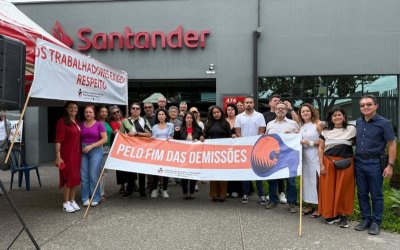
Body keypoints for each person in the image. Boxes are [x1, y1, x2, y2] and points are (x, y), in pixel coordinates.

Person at [354, 95, 396, 235]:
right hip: (359, 162)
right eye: (362, 105)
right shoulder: (358, 122)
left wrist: (390, 165)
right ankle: (366, 219)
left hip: (375, 162)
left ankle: (376, 222)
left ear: (376, 106)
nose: (365, 107)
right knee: (362, 193)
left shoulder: (384, 123)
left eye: (369, 104)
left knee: (376, 194)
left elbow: (391, 144)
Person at [318, 106, 356, 228]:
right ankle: (331, 214)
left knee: (344, 190)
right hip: (328, 162)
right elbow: (320, 148)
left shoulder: (352, 129)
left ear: (344, 117)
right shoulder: (325, 131)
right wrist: (321, 165)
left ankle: (343, 215)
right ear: (331, 118)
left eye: (339, 114)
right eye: (334, 115)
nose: (337, 117)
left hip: (345, 163)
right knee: (328, 189)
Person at [263, 94, 299, 204]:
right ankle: (273, 201)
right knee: (272, 180)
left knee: (291, 181)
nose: (280, 110)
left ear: (286, 110)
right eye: (278, 108)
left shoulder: (293, 124)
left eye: (283, 108)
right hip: (273, 156)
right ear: (275, 110)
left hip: (289, 156)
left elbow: (298, 136)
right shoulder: (269, 124)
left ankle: (292, 203)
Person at [234, 96, 267, 205]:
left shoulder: (260, 116)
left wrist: (255, 143)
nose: (248, 104)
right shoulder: (239, 117)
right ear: (243, 104)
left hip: (257, 148)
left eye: (251, 102)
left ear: (253, 104)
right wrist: (244, 143)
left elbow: (261, 131)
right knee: (246, 173)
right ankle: (245, 194)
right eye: (247, 102)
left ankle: (261, 195)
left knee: (258, 172)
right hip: (244, 149)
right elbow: (238, 132)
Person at [120, 102, 152, 199]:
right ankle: (129, 190)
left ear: (140, 110)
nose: (135, 110)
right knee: (130, 171)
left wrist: (137, 133)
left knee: (142, 171)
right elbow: (121, 135)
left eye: (137, 108)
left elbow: (149, 134)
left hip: (142, 149)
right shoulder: (125, 122)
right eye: (133, 108)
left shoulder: (144, 121)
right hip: (130, 150)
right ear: (130, 110)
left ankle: (142, 191)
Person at [55, 102, 81, 213]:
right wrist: (58, 156)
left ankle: (72, 200)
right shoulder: (62, 122)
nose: (73, 109)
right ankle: (65, 203)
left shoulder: (76, 122)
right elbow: (58, 141)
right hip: (67, 154)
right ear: (66, 109)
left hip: (76, 154)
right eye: (71, 108)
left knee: (75, 177)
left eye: (75, 108)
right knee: (68, 177)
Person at [80, 105, 107, 207]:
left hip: (95, 150)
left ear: (94, 114)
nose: (88, 114)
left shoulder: (99, 124)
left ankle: (96, 197)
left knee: (93, 175)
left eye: (90, 112)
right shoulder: (81, 124)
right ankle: (85, 197)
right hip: (83, 150)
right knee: (84, 176)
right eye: (86, 112)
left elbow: (105, 139)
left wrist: (91, 146)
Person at [299, 103, 323, 217]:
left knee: (316, 182)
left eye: (307, 111)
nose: (305, 113)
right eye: (303, 111)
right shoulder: (301, 126)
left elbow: (325, 141)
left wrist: (311, 143)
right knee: (307, 183)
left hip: (315, 156)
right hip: (304, 158)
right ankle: (309, 205)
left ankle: (319, 207)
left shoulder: (318, 124)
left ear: (312, 111)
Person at [203, 106, 232, 202]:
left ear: (221, 113)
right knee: (214, 174)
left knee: (222, 174)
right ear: (212, 114)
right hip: (212, 152)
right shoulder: (209, 124)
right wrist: (202, 137)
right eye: (214, 113)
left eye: (218, 112)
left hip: (223, 153)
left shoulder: (226, 123)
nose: (216, 114)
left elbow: (230, 136)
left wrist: (234, 136)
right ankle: (214, 195)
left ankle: (222, 195)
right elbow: (205, 135)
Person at [173, 112, 204, 199]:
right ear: (185, 119)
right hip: (184, 155)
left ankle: (192, 192)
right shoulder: (180, 128)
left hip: (194, 155)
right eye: (187, 118)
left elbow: (202, 139)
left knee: (193, 174)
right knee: (184, 175)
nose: (189, 119)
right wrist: (176, 132)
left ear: (193, 119)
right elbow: (176, 140)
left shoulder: (198, 129)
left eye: (191, 118)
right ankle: (185, 192)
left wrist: (198, 139)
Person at [151, 109, 174, 198]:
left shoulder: (170, 125)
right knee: (156, 171)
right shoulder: (154, 127)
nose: (161, 116)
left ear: (165, 116)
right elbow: (153, 138)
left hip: (167, 152)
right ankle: (154, 189)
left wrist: (170, 138)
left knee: (165, 172)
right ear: (157, 116)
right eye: (159, 114)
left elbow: (171, 136)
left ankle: (164, 190)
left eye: (162, 114)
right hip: (157, 152)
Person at [108, 105, 126, 194]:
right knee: (120, 167)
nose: (116, 114)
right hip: (119, 147)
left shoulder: (125, 119)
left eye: (117, 112)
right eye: (114, 113)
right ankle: (122, 185)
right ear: (111, 115)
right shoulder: (111, 122)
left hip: (128, 146)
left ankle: (133, 183)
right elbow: (117, 132)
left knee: (130, 165)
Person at [225, 104, 241, 198]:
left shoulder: (239, 120)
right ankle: (228, 189)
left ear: (235, 110)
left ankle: (236, 190)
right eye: (228, 109)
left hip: (238, 149)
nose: (230, 111)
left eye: (232, 109)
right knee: (227, 170)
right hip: (226, 149)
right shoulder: (223, 121)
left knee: (236, 169)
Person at [97, 105, 112, 201]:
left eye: (105, 112)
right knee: (100, 172)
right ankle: (99, 194)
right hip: (100, 149)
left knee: (105, 172)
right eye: (102, 111)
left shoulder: (107, 123)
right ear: (98, 113)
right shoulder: (97, 123)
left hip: (108, 149)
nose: (104, 113)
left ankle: (102, 191)